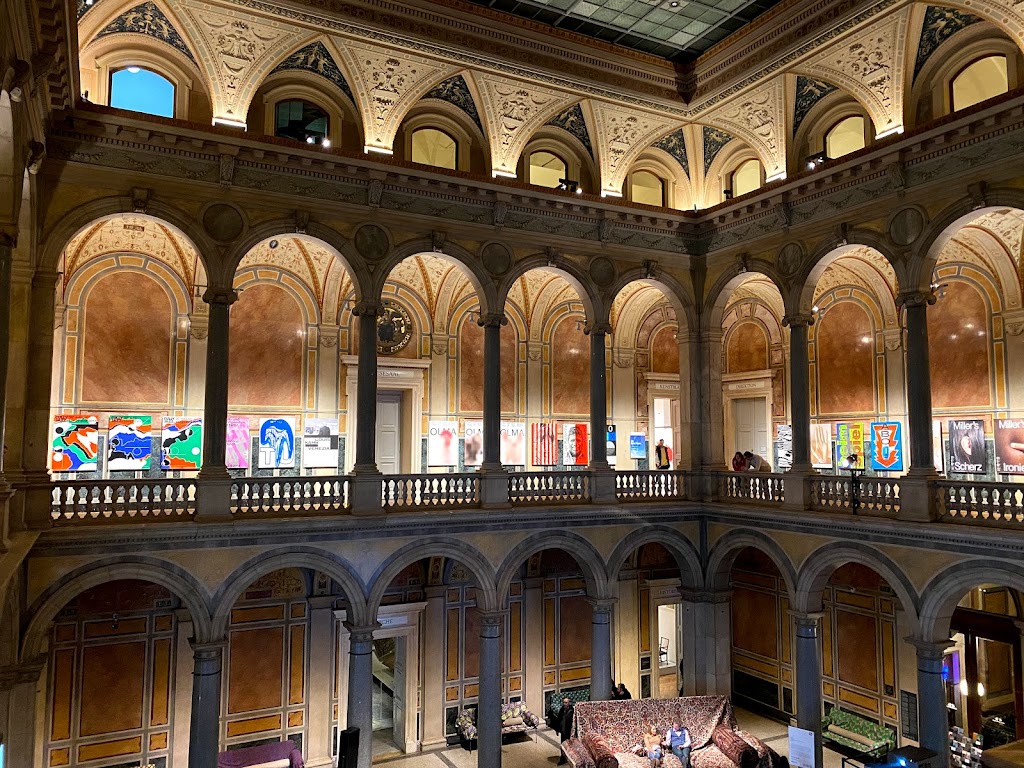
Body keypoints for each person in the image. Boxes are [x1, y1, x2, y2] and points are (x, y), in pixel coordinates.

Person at [556, 696, 574, 764]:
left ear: (569, 703)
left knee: (569, 746)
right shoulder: (561, 710)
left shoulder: (572, 711)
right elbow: (559, 719)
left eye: (566, 702)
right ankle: (562, 759)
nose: (564, 704)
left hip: (569, 731)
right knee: (563, 745)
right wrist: (557, 729)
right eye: (564, 702)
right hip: (563, 731)